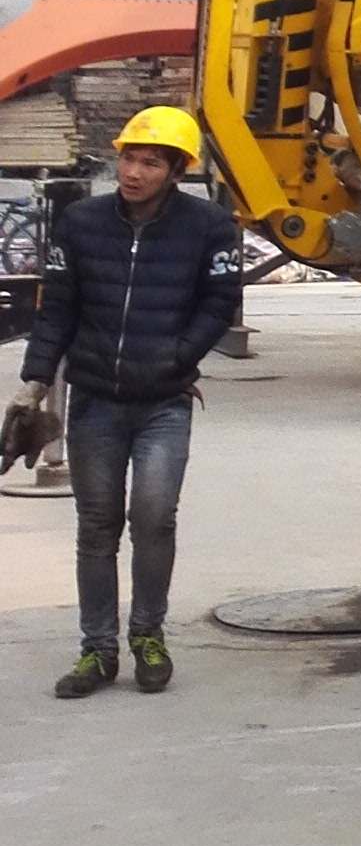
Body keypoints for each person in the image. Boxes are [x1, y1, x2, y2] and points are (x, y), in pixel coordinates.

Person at [8, 108, 246, 700]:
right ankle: (98, 649)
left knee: (154, 516)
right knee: (97, 526)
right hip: (96, 403)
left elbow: (220, 302)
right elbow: (57, 309)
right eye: (129, 158)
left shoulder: (211, 227)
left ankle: (148, 635)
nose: (134, 172)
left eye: (151, 162)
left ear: (177, 171)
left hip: (165, 403)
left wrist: (176, 356)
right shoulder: (81, 223)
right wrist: (33, 382)